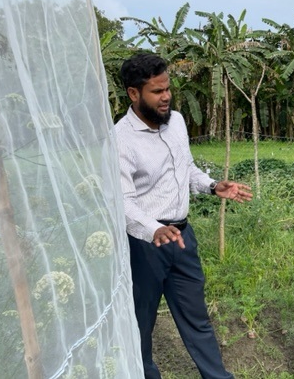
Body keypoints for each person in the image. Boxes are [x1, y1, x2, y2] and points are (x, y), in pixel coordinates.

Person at [115, 53, 252, 379]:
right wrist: (154, 229)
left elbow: (185, 168)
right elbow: (122, 201)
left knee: (197, 318)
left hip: (182, 239)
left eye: (167, 89)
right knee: (140, 324)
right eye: (156, 91)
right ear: (133, 93)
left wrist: (213, 186)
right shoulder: (120, 139)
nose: (166, 97)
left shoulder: (175, 121)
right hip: (145, 246)